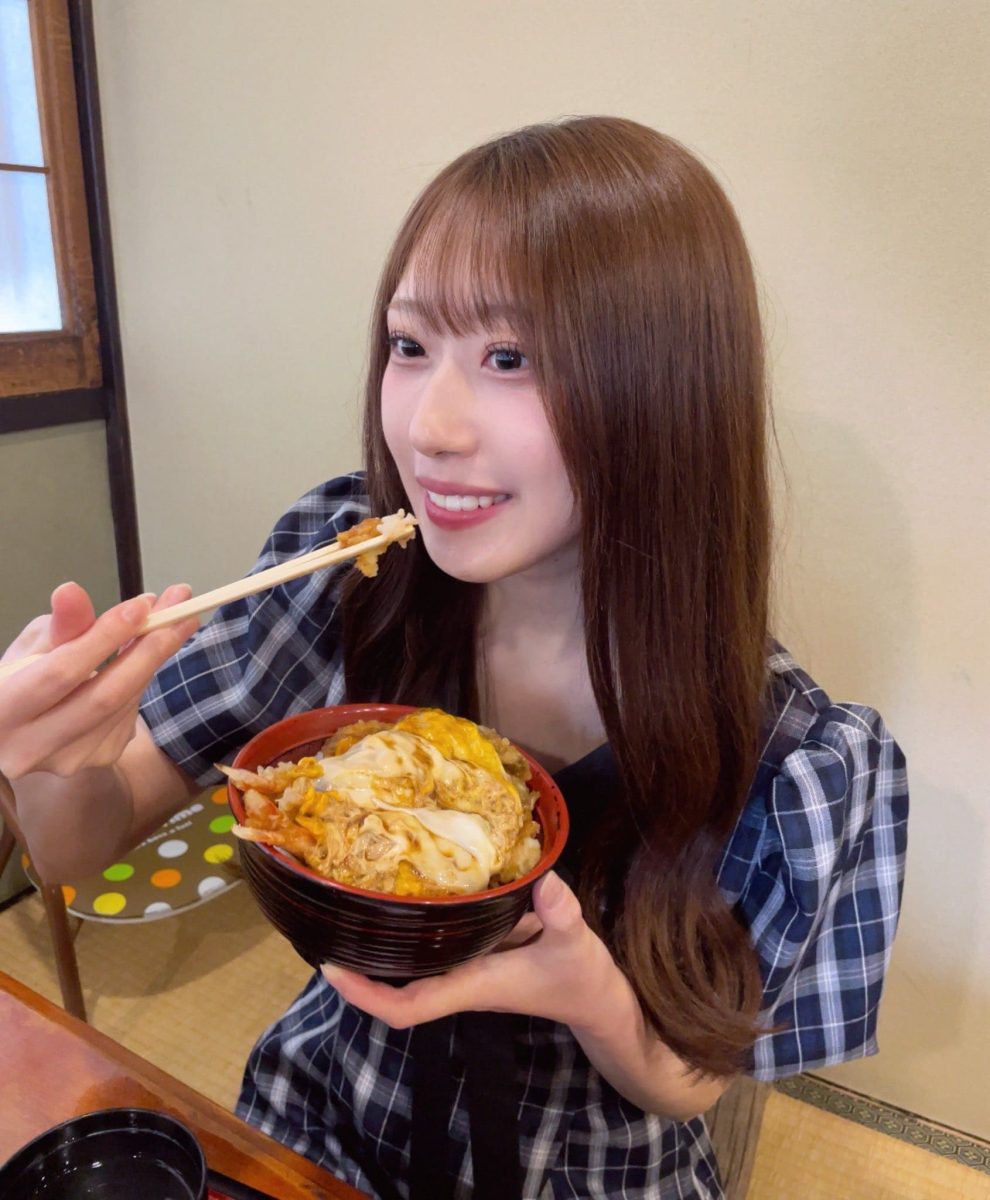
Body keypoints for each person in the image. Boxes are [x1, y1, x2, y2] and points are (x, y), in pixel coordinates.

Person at [0, 117, 908, 1200]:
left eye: (510, 359)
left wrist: (592, 993)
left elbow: (689, 1083)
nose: (428, 426)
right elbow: (79, 843)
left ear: (667, 391)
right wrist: (50, 763)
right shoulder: (347, 572)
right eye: (409, 344)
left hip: (589, 1171)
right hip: (324, 1124)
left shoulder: (794, 756)